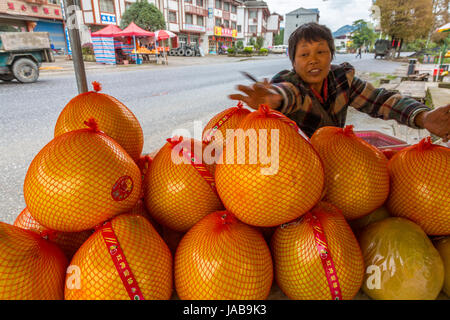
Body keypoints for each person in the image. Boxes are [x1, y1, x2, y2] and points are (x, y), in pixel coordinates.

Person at [229, 22, 450, 142]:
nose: (313, 59)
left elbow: (381, 101)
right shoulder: (290, 83)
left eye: (321, 52)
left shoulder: (342, 81)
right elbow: (288, 94)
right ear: (293, 62)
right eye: (304, 55)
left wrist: (424, 117)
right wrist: (273, 99)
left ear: (332, 56)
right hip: (294, 167)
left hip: (336, 158)